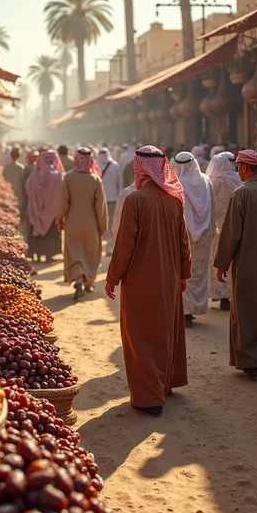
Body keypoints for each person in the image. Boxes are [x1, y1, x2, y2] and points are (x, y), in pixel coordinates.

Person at [105, 146, 191, 416]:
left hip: (140, 281)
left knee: (141, 336)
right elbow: (183, 243)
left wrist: (112, 278)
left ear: (141, 167)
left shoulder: (136, 200)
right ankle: (165, 385)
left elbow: (124, 247)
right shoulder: (174, 200)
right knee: (165, 331)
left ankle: (149, 397)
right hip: (168, 278)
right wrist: (184, 274)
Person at [214, 149, 257, 380]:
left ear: (244, 168)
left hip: (248, 263)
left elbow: (231, 234)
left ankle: (250, 361)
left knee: (246, 311)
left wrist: (221, 263)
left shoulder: (241, 194)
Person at [58, 147, 108, 300]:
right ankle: (88, 283)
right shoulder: (95, 179)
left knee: (75, 252)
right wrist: (102, 226)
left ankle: (78, 282)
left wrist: (60, 219)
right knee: (89, 253)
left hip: (72, 222)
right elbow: (101, 207)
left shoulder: (68, 177)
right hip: (91, 223)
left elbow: (63, 203)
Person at [174, 151, 216, 328]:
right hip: (204, 234)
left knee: (184, 272)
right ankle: (195, 308)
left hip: (183, 235)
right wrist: (211, 230)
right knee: (198, 272)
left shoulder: (176, 185)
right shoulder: (206, 181)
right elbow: (213, 207)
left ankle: (186, 313)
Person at [206, 151, 241, 311]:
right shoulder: (239, 180)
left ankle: (220, 295)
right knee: (234, 259)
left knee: (217, 259)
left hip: (217, 227)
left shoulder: (213, 182)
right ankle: (232, 295)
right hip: (235, 227)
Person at [25, 150, 64, 262]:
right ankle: (49, 255)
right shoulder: (57, 176)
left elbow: (27, 189)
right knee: (50, 232)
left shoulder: (33, 176)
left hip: (35, 211)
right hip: (52, 212)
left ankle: (36, 254)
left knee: (35, 230)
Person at [97, 148, 120, 240]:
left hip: (100, 199)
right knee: (111, 220)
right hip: (113, 198)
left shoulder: (96, 166)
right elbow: (120, 183)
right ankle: (110, 241)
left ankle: (103, 239)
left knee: (100, 220)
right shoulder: (115, 166)